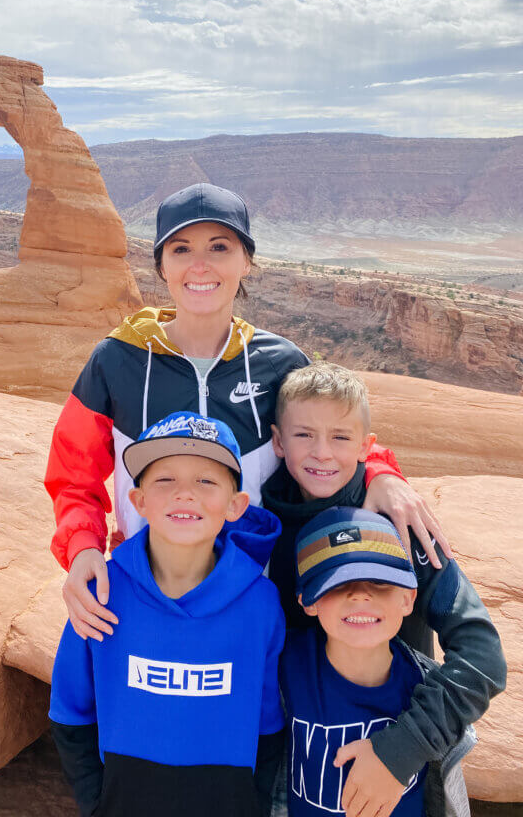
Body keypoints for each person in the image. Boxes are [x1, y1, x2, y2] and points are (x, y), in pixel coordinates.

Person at [45, 183, 449, 642]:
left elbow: (331, 435)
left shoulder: (279, 361)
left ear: (246, 261)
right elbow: (73, 475)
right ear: (161, 265)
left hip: (264, 592)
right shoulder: (117, 361)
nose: (200, 265)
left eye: (220, 247)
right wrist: (82, 549)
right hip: (150, 588)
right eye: (181, 249)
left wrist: (381, 474)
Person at [263, 364, 506, 816]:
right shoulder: (261, 526)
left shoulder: (401, 526)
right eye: (303, 436)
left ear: (366, 446)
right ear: (278, 441)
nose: (322, 453)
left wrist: (402, 750)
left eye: (340, 437)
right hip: (297, 762)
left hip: (398, 745)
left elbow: (482, 657)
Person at [50, 411, 285, 817]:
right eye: (164, 479)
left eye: (205, 480)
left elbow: (267, 722)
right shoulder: (100, 594)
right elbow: (70, 711)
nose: (184, 493)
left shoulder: (260, 605)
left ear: (235, 505)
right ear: (138, 500)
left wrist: (254, 802)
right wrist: (96, 802)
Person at [281, 507, 484, 817]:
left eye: (380, 582)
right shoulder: (284, 665)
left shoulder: (432, 691)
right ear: (308, 600)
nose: (361, 595)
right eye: (338, 583)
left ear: (408, 598)